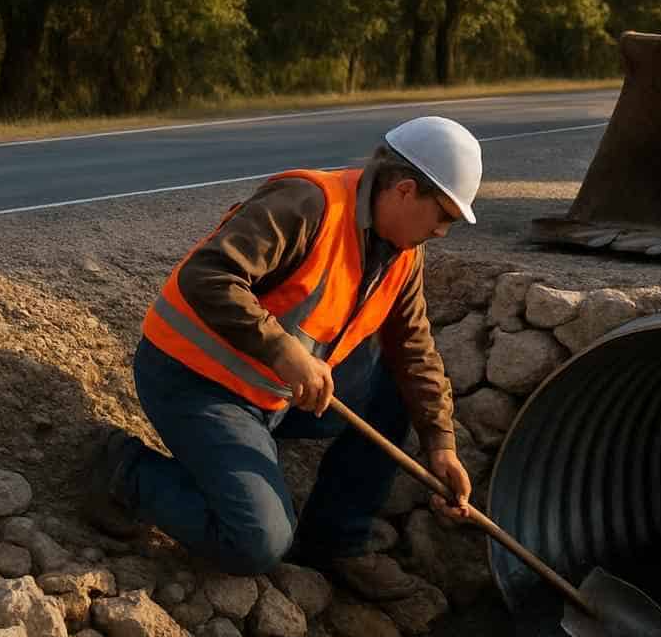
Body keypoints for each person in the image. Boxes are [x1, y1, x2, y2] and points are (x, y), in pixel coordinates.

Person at [84, 116, 481, 594]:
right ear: (404, 190)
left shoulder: (403, 252)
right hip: (195, 381)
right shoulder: (308, 205)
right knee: (257, 543)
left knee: (397, 383)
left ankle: (334, 541)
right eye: (445, 216)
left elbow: (415, 348)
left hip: (274, 393)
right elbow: (207, 276)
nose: (443, 232)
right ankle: (124, 470)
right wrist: (284, 353)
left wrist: (441, 447)